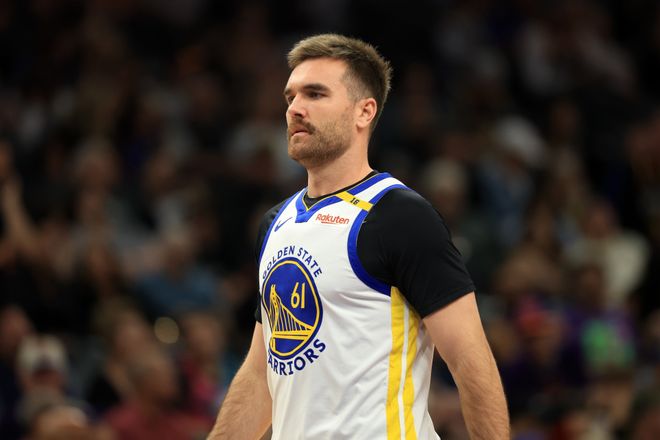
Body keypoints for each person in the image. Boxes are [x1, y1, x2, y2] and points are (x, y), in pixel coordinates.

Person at [209, 34, 509, 439]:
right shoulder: (275, 222)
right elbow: (261, 372)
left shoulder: (400, 215)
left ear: (364, 111)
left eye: (315, 94)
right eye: (290, 97)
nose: (295, 108)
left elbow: (470, 361)